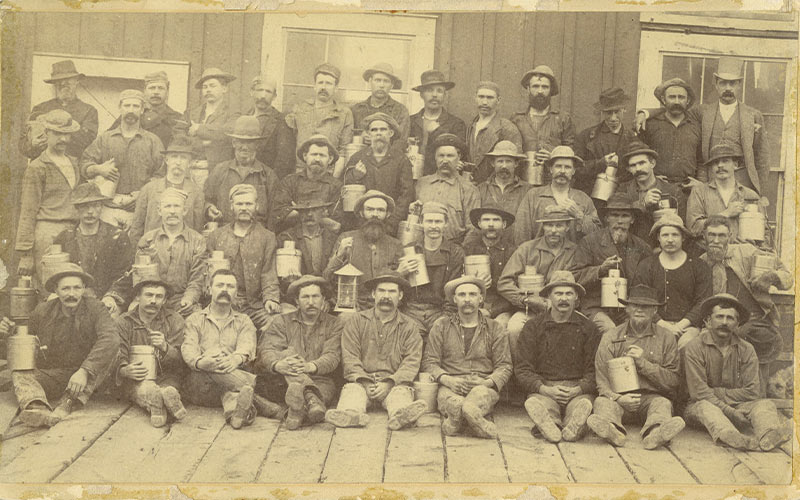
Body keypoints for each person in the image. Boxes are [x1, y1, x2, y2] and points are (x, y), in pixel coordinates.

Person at [1, 263, 119, 428]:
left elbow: (110, 338)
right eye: (65, 289)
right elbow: (22, 342)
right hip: (56, 375)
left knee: (112, 350)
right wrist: (8, 333)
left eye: (77, 288)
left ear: (84, 288)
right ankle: (38, 408)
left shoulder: (96, 308)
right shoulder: (42, 311)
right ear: (56, 290)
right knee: (19, 371)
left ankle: (67, 402)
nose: (71, 294)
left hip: (90, 377)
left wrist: (85, 371)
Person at [638, 57, 769, 194]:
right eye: (723, 83)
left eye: (732, 84)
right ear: (716, 84)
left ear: (739, 85)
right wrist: (646, 113)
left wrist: (762, 193)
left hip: (742, 180)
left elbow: (762, 157)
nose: (728, 88)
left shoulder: (753, 115)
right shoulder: (701, 111)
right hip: (711, 179)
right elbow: (675, 108)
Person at [683, 293, 792, 451]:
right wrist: (730, 411)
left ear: (738, 324)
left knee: (765, 404)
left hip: (740, 406)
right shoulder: (695, 347)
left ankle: (768, 435)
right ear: (707, 321)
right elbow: (699, 393)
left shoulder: (747, 349)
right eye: (719, 317)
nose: (724, 322)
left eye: (730, 318)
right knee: (706, 408)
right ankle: (730, 436)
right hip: (700, 406)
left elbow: (753, 391)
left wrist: (718, 393)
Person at [699, 215, 793, 395]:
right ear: (704, 236)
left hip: (756, 321)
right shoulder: (702, 262)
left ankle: (755, 399)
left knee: (743, 340)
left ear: (730, 236)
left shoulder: (747, 252)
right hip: (720, 324)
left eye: (721, 235)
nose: (716, 241)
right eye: (711, 235)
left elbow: (787, 278)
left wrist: (770, 277)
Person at [325, 271, 428, 430]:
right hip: (361, 382)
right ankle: (351, 415)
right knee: (352, 394)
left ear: (400, 296)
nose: (386, 296)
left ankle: (400, 417)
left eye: (392, 291)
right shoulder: (356, 322)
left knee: (401, 397)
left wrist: (389, 383)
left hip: (394, 384)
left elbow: (411, 362)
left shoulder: (410, 326)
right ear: (373, 294)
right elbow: (350, 357)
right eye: (382, 291)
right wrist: (365, 382)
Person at [587, 284, 685, 449]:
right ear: (627, 308)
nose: (639, 309)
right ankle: (612, 431)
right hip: (618, 399)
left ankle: (656, 433)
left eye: (646, 306)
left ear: (655, 310)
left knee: (663, 404)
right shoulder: (611, 336)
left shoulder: (666, 338)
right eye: (634, 305)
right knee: (602, 403)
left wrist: (642, 363)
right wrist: (619, 398)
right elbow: (602, 380)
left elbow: (673, 381)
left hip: (650, 398)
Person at [423, 276, 512, 438]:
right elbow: (430, 362)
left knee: (477, 398)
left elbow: (504, 366)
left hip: (482, 384)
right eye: (462, 295)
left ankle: (456, 422)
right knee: (451, 401)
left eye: (472, 295)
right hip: (451, 386)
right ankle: (468, 418)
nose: (467, 299)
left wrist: (486, 382)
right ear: (454, 299)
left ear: (481, 298)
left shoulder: (494, 328)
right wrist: (448, 380)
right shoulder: (441, 325)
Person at [515, 271, 598, 443]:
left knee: (581, 408)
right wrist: (543, 388)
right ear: (548, 298)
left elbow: (594, 370)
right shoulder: (533, 327)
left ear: (576, 298)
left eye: (569, 294)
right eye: (558, 294)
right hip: (545, 388)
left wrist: (579, 389)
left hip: (577, 390)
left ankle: (573, 427)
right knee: (543, 407)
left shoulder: (588, 329)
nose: (564, 299)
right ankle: (550, 425)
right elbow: (523, 369)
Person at [256, 276, 341, 430]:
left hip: (320, 381)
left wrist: (309, 366)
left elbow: (332, 355)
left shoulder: (334, 324)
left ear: (323, 299)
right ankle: (309, 399)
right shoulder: (281, 321)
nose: (311, 302)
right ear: (296, 301)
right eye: (305, 297)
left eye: (315, 296)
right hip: (283, 380)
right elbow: (268, 349)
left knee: (318, 400)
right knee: (288, 354)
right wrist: (278, 364)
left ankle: (286, 413)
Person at [106, 188, 206, 318]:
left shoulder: (197, 240)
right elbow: (140, 277)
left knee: (196, 320)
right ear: (159, 211)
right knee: (128, 320)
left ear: (185, 210)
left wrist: (189, 299)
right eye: (167, 206)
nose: (172, 211)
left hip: (180, 300)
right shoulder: (148, 239)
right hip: (151, 299)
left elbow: (197, 277)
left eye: (176, 206)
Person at [181, 269, 258, 430]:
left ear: (236, 292)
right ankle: (255, 392)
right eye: (220, 285)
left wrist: (235, 359)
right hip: (201, 386)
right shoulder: (195, 320)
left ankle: (235, 415)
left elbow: (247, 346)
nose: (225, 290)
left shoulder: (243, 321)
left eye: (230, 286)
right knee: (233, 383)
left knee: (231, 393)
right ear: (209, 289)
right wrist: (203, 362)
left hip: (229, 382)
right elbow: (189, 349)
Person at [16, 110, 83, 289]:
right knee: (49, 289)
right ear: (46, 134)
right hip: (48, 234)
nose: (63, 139)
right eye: (58, 134)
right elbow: (28, 212)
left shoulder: (74, 162)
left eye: (66, 134)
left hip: (73, 232)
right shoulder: (37, 167)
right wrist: (26, 254)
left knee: (71, 288)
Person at [81, 89, 165, 229]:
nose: (130, 110)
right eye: (127, 106)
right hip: (108, 208)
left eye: (135, 106)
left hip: (140, 208)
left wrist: (142, 194)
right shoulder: (105, 138)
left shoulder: (152, 141)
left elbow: (161, 174)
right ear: (120, 108)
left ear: (142, 110)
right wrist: (99, 169)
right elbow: (84, 164)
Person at [114, 267, 187, 427]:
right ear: (138, 297)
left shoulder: (174, 320)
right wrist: (124, 369)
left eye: (159, 296)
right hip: (136, 378)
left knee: (169, 387)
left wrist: (165, 347)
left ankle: (159, 404)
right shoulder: (124, 322)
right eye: (148, 295)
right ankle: (163, 402)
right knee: (141, 388)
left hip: (166, 376)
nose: (153, 301)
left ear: (165, 300)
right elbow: (118, 354)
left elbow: (182, 360)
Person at [570, 193, 652, 334]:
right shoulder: (590, 242)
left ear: (632, 219)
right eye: (614, 215)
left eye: (625, 216)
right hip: (596, 306)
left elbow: (648, 283)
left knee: (638, 330)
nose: (619, 221)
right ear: (607, 218)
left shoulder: (642, 247)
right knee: (610, 330)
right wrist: (600, 270)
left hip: (627, 308)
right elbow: (575, 277)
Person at [497, 205, 577, 344]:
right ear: (543, 227)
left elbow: (581, 282)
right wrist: (525, 300)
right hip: (529, 310)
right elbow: (504, 283)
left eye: (559, 225)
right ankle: (519, 366)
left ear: (567, 227)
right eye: (549, 225)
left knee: (580, 330)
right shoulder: (527, 249)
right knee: (514, 329)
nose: (553, 230)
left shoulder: (575, 251)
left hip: (564, 310)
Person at [206, 184, 280, 333]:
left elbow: (268, 272)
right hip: (222, 301)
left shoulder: (267, 237)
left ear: (257, 206)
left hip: (254, 304)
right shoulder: (216, 236)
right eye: (239, 204)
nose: (244, 208)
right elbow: (208, 274)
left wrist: (271, 298)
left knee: (277, 321)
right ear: (232, 206)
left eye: (249, 204)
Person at [633, 213, 712, 349]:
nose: (670, 240)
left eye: (675, 235)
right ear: (658, 237)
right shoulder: (647, 265)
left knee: (689, 347)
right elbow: (640, 299)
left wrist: (681, 326)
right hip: (653, 326)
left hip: (688, 327)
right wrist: (664, 325)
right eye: (665, 235)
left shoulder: (698, 266)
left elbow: (703, 302)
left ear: (683, 237)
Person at [323, 190, 404, 310]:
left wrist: (400, 273)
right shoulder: (346, 238)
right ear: (361, 213)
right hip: (353, 306)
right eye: (370, 209)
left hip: (384, 306)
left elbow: (401, 286)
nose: (375, 214)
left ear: (387, 214)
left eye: (380, 210)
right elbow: (326, 277)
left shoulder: (395, 244)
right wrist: (339, 255)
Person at [53, 182, 134, 299]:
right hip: (72, 298)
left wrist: (111, 297)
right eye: (85, 206)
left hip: (106, 298)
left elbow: (124, 275)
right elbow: (56, 276)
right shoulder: (64, 238)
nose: (90, 211)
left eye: (95, 205)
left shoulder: (117, 237)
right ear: (77, 208)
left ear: (101, 207)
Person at [342, 112, 415, 233]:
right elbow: (344, 188)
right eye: (374, 130)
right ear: (369, 134)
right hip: (361, 224)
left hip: (390, 225)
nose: (378, 133)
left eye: (383, 129)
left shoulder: (401, 160)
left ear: (390, 133)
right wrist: (355, 176)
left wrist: (392, 222)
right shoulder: (357, 157)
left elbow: (406, 194)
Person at [204, 115, 280, 229]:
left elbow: (275, 212)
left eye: (250, 142)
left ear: (257, 145)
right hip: (224, 232)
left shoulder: (268, 175)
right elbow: (206, 199)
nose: (244, 147)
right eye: (240, 141)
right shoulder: (219, 171)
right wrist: (209, 208)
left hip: (257, 235)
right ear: (234, 143)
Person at [513, 145, 600, 245]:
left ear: (573, 171)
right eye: (558, 166)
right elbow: (521, 233)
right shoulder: (533, 196)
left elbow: (597, 234)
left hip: (573, 258)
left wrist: (579, 215)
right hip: (539, 258)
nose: (562, 171)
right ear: (550, 169)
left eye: (567, 167)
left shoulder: (583, 199)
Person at [400, 201, 465, 332]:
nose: (433, 226)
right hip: (411, 310)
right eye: (429, 221)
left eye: (438, 221)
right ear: (422, 223)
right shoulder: (409, 249)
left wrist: (445, 318)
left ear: (446, 223)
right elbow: (398, 287)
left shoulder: (455, 252)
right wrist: (400, 272)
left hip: (440, 310)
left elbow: (453, 292)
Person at [129, 135, 205, 244]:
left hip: (183, 253)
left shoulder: (196, 193)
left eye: (183, 158)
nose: (178, 162)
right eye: (174, 156)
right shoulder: (149, 189)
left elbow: (197, 230)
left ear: (190, 163)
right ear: (166, 160)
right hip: (152, 251)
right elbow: (136, 228)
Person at [686, 143, 768, 244]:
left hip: (742, 254)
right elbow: (693, 228)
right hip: (709, 252)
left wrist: (753, 241)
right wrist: (725, 214)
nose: (720, 165)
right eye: (715, 162)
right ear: (711, 167)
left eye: (725, 161)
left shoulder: (750, 196)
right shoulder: (699, 192)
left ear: (735, 164)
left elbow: (765, 233)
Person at [20, 60, 98, 160]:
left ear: (77, 81)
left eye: (68, 81)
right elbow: (23, 143)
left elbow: (86, 141)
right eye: (59, 81)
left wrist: (51, 136)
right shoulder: (40, 109)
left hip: (70, 167)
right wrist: (32, 144)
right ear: (54, 84)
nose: (63, 84)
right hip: (42, 167)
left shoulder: (88, 111)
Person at [636, 78, 704, 190]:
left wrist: (700, 183)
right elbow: (640, 155)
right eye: (672, 97)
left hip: (688, 188)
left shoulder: (696, 126)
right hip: (656, 187)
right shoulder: (649, 125)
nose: (677, 101)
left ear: (687, 100)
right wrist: (651, 178)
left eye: (681, 97)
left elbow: (701, 160)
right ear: (663, 99)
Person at [415, 133, 480, 243]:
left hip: (454, 249)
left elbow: (473, 228)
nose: (445, 160)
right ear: (435, 157)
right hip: (423, 246)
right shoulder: (421, 184)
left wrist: (460, 252)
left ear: (459, 158)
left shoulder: (469, 189)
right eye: (441, 155)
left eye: (450, 156)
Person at [573, 87, 638, 197]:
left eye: (617, 112)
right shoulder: (586, 136)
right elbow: (575, 169)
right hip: (590, 194)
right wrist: (600, 163)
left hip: (622, 198)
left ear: (624, 109)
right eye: (608, 113)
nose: (613, 118)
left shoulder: (633, 138)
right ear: (602, 112)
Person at [617, 140, 686, 242]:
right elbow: (618, 220)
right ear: (628, 169)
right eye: (633, 165)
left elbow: (681, 227)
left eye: (642, 163)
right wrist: (643, 204)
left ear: (652, 163)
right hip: (632, 247)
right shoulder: (623, 190)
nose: (638, 169)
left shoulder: (673, 191)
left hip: (663, 248)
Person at [285, 63, 354, 166]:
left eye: (328, 83)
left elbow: (343, 152)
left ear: (336, 88)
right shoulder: (300, 109)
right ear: (314, 86)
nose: (323, 87)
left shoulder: (344, 113)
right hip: (300, 172)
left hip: (329, 173)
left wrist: (334, 178)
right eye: (320, 82)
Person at [272, 134, 343, 233]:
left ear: (330, 159)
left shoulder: (337, 187)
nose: (317, 159)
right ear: (305, 156)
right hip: (293, 238)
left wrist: (299, 210)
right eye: (314, 154)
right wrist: (319, 214)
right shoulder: (289, 182)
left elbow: (336, 226)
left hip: (324, 240)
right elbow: (279, 217)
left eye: (322, 155)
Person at [510, 65, 575, 163]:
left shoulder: (563, 119)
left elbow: (571, 153)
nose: (540, 91)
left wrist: (553, 157)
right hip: (522, 174)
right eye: (535, 86)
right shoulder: (517, 119)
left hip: (552, 176)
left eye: (545, 87)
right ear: (528, 89)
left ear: (551, 90)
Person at [461, 207, 517, 318]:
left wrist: (492, 311)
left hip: (502, 308)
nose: (491, 224)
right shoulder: (467, 250)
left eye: (496, 220)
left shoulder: (512, 252)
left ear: (504, 224)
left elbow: (514, 290)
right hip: (470, 304)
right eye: (486, 220)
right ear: (479, 223)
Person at [409, 70, 467, 176]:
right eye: (429, 90)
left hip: (441, 180)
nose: (434, 95)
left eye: (439, 91)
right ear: (421, 94)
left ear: (445, 95)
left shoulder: (456, 124)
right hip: (412, 178)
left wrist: (437, 131)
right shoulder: (410, 121)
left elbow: (461, 156)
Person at [108, 71, 184, 149]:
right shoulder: (131, 114)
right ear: (145, 90)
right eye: (152, 88)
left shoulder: (177, 118)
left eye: (160, 88)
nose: (156, 92)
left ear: (167, 92)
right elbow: (109, 139)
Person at [467, 81, 523, 185]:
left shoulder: (507, 129)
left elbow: (516, 165)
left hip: (494, 188)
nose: (484, 102)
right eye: (481, 97)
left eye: (490, 98)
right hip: (470, 187)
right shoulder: (471, 126)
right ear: (475, 98)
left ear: (498, 100)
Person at [243, 74, 295, 178]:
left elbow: (283, 161)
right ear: (252, 92)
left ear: (274, 96)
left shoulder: (281, 121)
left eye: (268, 91)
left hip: (265, 180)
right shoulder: (243, 118)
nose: (263, 95)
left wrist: (269, 184)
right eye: (259, 90)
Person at [185, 68, 238, 168]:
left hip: (216, 170)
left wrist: (198, 129)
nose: (208, 90)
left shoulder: (233, 114)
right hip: (190, 167)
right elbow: (181, 136)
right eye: (205, 87)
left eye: (212, 86)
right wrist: (205, 142)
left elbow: (227, 134)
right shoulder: (192, 113)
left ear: (224, 89)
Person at [350, 63, 411, 148]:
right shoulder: (356, 110)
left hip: (390, 159)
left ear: (392, 85)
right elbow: (348, 137)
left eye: (386, 81)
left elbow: (402, 141)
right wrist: (360, 137)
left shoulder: (401, 111)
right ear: (370, 82)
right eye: (377, 80)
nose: (381, 85)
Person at [276, 200, 338, 279]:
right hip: (297, 288)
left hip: (325, 288)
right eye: (304, 210)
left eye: (314, 210)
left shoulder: (332, 238)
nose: (309, 214)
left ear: (323, 212)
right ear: (299, 213)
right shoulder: (286, 237)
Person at [476, 141, 532, 220]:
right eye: (500, 161)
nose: (504, 166)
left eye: (508, 161)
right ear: (493, 163)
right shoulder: (481, 190)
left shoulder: (528, 190)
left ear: (516, 164)